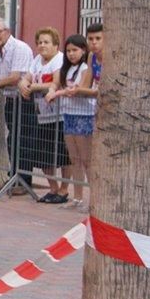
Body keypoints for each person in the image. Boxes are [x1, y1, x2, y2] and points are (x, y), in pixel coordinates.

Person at [18, 27, 69, 204]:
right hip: (42, 114)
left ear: (55, 44)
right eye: (39, 42)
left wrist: (31, 87)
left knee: (63, 155)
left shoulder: (60, 60)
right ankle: (52, 188)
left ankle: (64, 190)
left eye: (46, 42)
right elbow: (27, 77)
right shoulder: (37, 60)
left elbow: (55, 82)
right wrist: (23, 84)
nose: (42, 46)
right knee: (44, 153)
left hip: (60, 114)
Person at [45, 34, 95, 211]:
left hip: (85, 114)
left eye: (75, 50)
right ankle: (78, 198)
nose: (71, 54)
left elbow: (77, 89)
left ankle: (93, 200)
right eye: (68, 51)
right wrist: (53, 90)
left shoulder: (85, 68)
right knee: (75, 160)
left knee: (87, 160)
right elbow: (58, 83)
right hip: (69, 115)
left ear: (83, 50)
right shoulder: (67, 69)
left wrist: (56, 94)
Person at [0, 18, 34, 194]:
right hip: (9, 99)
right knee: (12, 138)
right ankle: (13, 176)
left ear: (7, 31)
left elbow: (15, 78)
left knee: (23, 139)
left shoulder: (20, 48)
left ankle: (24, 181)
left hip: (24, 98)